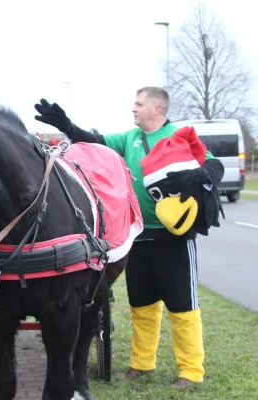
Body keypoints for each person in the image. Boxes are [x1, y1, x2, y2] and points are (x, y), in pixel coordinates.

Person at [34, 87, 224, 388]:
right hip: (137, 236)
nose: (133, 109)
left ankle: (191, 371)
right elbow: (96, 142)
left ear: (157, 108)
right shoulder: (130, 139)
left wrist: (197, 176)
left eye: (139, 104)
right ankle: (142, 363)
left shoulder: (180, 134)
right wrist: (66, 126)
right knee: (142, 304)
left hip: (174, 238)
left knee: (182, 305)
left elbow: (215, 165)